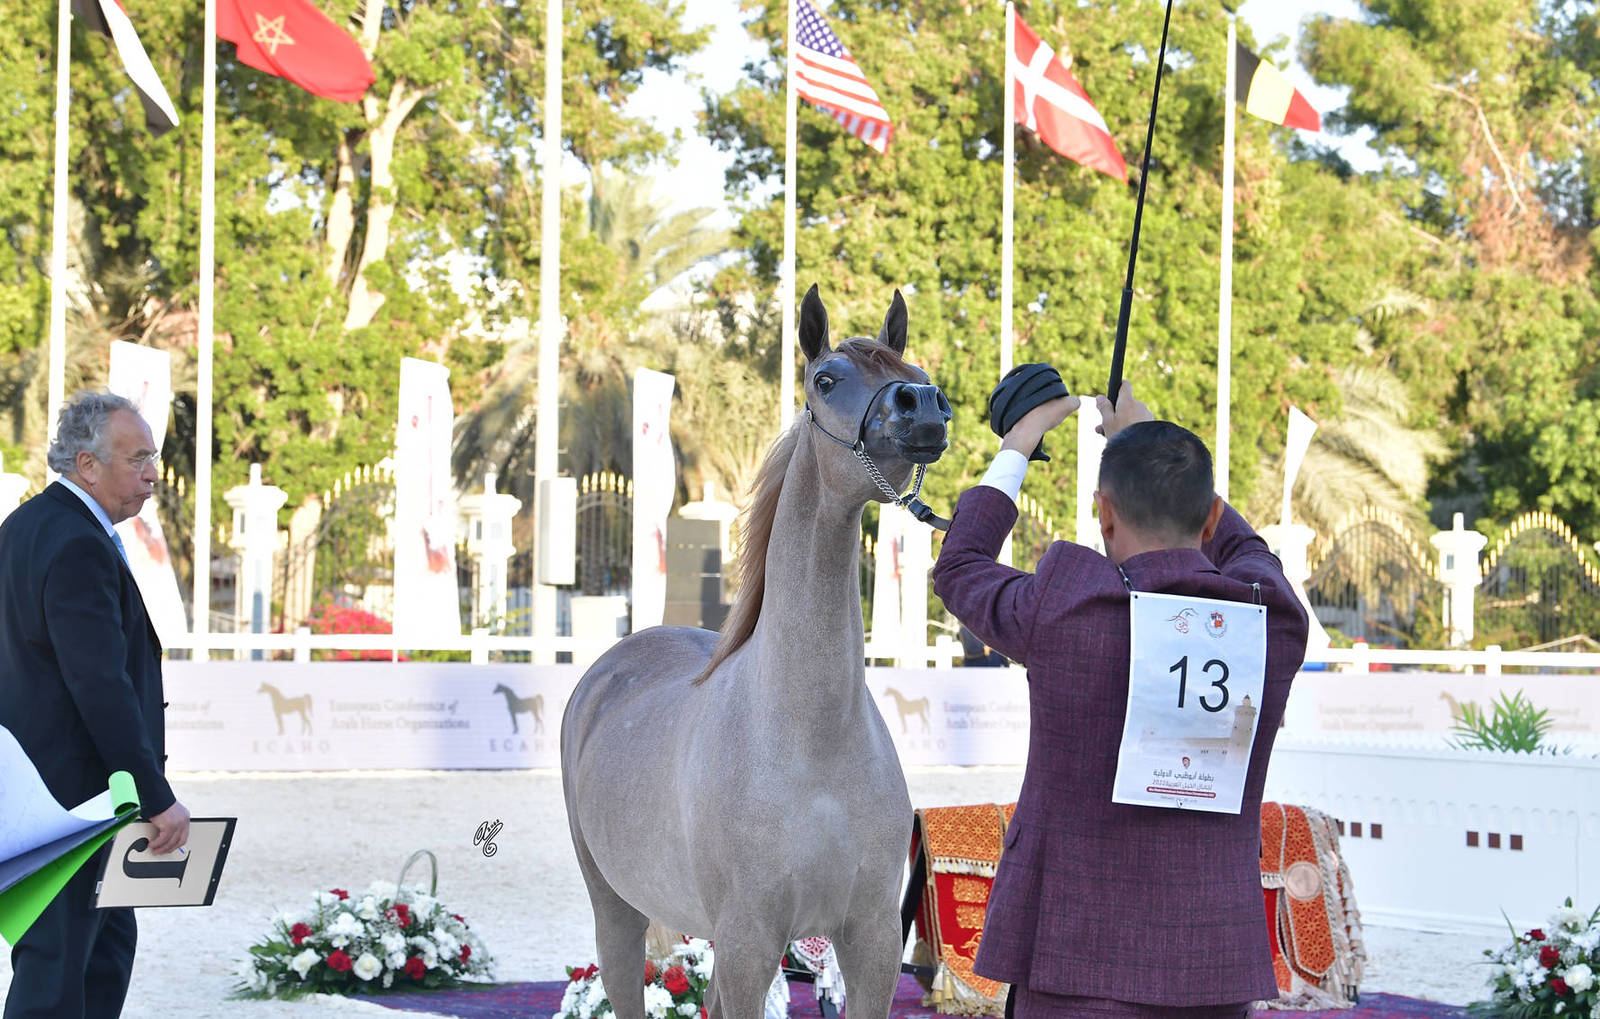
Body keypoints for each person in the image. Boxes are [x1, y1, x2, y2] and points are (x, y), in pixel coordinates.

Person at [931, 381, 1308, 1018]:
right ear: (1209, 517)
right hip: (1211, 962)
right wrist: (1153, 436)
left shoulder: (1064, 607)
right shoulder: (1270, 618)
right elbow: (1249, 551)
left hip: (1071, 957)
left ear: (1103, 513)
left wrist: (1020, 441)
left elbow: (961, 564)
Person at [0, 391, 189, 1019]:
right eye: (137, 460)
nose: (152, 474)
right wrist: (154, 794)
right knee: (59, 969)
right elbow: (100, 683)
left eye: (153, 458)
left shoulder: (27, 526)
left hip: (39, 789)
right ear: (86, 465)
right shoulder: (77, 541)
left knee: (103, 950)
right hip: (74, 801)